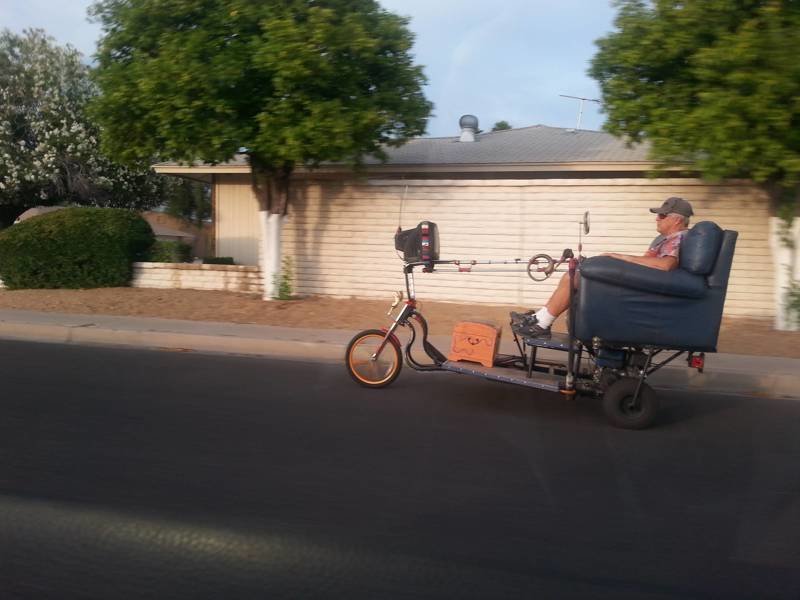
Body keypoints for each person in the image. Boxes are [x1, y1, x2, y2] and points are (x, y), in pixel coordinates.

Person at [511, 196, 694, 339]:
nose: (657, 219)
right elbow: (644, 265)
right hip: (640, 287)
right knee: (577, 275)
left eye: (662, 215)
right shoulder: (665, 240)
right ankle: (539, 319)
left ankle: (541, 323)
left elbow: (667, 265)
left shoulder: (678, 238)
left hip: (641, 294)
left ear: (677, 220)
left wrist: (620, 257)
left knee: (573, 277)